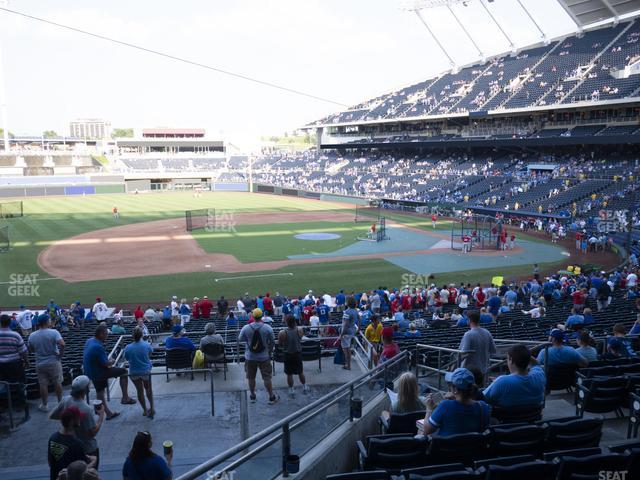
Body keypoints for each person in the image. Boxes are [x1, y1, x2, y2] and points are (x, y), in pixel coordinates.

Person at [50, 376, 104, 469]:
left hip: (69, 446)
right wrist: (101, 416)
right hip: (88, 449)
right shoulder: (86, 409)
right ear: (86, 390)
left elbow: (52, 415)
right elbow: (92, 433)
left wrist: (68, 420)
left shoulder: (65, 400)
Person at [83, 325, 135, 420]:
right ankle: (125, 398)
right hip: (98, 372)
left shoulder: (89, 340)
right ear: (101, 334)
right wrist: (112, 361)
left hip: (90, 371)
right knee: (124, 371)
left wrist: (107, 361)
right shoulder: (97, 346)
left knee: (100, 391)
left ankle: (104, 411)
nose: (107, 336)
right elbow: (106, 364)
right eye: (106, 334)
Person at [422, 368, 490, 437]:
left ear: (455, 389)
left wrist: (429, 409)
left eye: (450, 385)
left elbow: (427, 430)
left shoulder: (445, 406)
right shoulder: (483, 406)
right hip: (473, 447)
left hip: (446, 447)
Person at [238, 308, 277, 404]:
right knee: (267, 377)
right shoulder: (267, 328)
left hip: (250, 356)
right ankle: (271, 397)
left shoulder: (246, 327)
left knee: (251, 377)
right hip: (264, 356)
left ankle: (252, 397)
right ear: (261, 316)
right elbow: (272, 342)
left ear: (253, 316)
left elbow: (239, 339)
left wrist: (248, 344)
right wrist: (270, 352)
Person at [48, 406, 97, 480]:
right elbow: (82, 471)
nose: (80, 419)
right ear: (72, 421)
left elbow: (50, 462)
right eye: (78, 418)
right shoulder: (76, 444)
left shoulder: (53, 438)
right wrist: (94, 461)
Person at [29, 315, 65, 412]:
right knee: (57, 382)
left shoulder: (32, 335)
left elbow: (31, 349)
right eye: (49, 320)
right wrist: (60, 355)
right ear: (45, 322)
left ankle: (44, 405)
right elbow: (62, 344)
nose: (50, 321)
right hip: (53, 362)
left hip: (40, 363)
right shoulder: (54, 332)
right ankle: (60, 403)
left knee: (43, 384)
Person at [124, 327, 155, 419]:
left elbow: (127, 358)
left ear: (132, 336)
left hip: (134, 372)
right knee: (148, 389)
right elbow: (150, 354)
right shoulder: (147, 345)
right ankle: (152, 408)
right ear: (141, 335)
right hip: (145, 371)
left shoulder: (128, 347)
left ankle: (145, 410)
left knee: (139, 390)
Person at [459, 311, 496, 385]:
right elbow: (493, 350)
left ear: (469, 320)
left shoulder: (468, 334)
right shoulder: (487, 332)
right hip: (483, 370)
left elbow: (462, 354)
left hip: (470, 372)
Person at [278, 315, 309, 398]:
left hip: (287, 355)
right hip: (297, 354)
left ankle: (291, 389)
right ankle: (304, 386)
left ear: (286, 322)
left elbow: (280, 343)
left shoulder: (282, 332)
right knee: (300, 372)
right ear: (294, 321)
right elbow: (300, 338)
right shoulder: (299, 330)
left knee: (289, 374)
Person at [0, 313, 29, 385]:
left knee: (3, 386)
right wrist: (26, 361)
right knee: (19, 385)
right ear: (10, 322)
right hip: (15, 365)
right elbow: (23, 351)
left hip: (1, 366)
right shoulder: (15, 335)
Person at [340, 297, 359, 370]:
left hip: (346, 333)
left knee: (346, 350)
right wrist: (359, 328)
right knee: (348, 348)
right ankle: (348, 365)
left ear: (348, 303)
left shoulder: (346, 312)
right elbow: (359, 319)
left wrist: (341, 335)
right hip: (352, 332)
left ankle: (348, 365)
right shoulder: (355, 310)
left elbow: (346, 325)